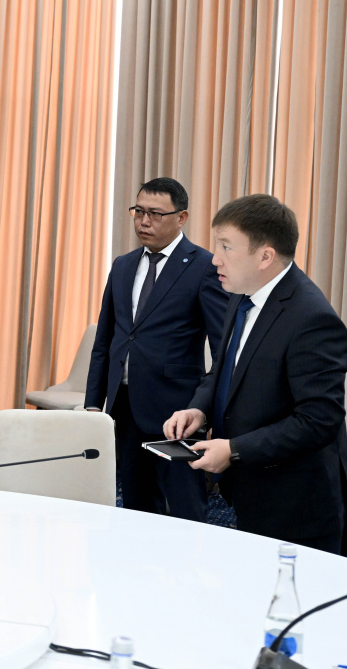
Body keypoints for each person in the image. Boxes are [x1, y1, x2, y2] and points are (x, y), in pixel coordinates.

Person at [165, 194, 347, 554]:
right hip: (249, 489)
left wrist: (234, 450)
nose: (214, 259)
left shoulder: (312, 319)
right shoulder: (242, 294)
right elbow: (225, 370)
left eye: (226, 247)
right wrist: (199, 408)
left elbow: (318, 421)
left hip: (296, 505)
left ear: (265, 256)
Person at [85, 177, 228, 520]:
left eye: (155, 214)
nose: (144, 221)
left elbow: (222, 348)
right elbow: (106, 340)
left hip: (176, 413)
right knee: (136, 504)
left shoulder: (203, 267)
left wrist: (205, 410)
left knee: (184, 508)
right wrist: (93, 402)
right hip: (125, 406)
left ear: (181, 218)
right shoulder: (123, 265)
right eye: (139, 212)